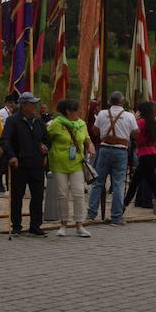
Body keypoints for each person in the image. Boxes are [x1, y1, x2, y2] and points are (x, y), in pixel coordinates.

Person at [1, 92, 49, 238]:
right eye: (31, 104)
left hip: (37, 163)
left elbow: (47, 139)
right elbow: (4, 140)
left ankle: (35, 226)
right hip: (19, 164)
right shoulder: (12, 121)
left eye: (35, 103)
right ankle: (16, 225)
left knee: (37, 196)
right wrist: (11, 156)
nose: (35, 106)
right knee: (17, 197)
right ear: (23, 105)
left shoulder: (39, 121)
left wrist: (45, 146)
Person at [88, 91, 137, 226]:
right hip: (121, 151)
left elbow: (95, 131)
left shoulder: (103, 113)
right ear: (122, 102)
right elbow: (135, 134)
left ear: (110, 101)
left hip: (104, 149)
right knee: (118, 184)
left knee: (98, 182)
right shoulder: (129, 116)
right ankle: (116, 217)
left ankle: (91, 214)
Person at [47, 99, 94, 237]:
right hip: (59, 163)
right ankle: (63, 224)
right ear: (68, 111)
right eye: (76, 110)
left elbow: (87, 138)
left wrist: (90, 145)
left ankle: (79, 224)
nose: (79, 112)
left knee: (79, 193)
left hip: (76, 163)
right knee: (62, 194)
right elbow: (46, 138)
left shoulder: (81, 124)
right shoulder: (56, 124)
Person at [122, 102, 156, 219]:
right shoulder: (154, 123)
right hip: (154, 156)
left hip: (145, 156)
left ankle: (122, 208)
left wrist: (133, 119)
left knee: (137, 183)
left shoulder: (140, 123)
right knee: (149, 183)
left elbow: (131, 134)